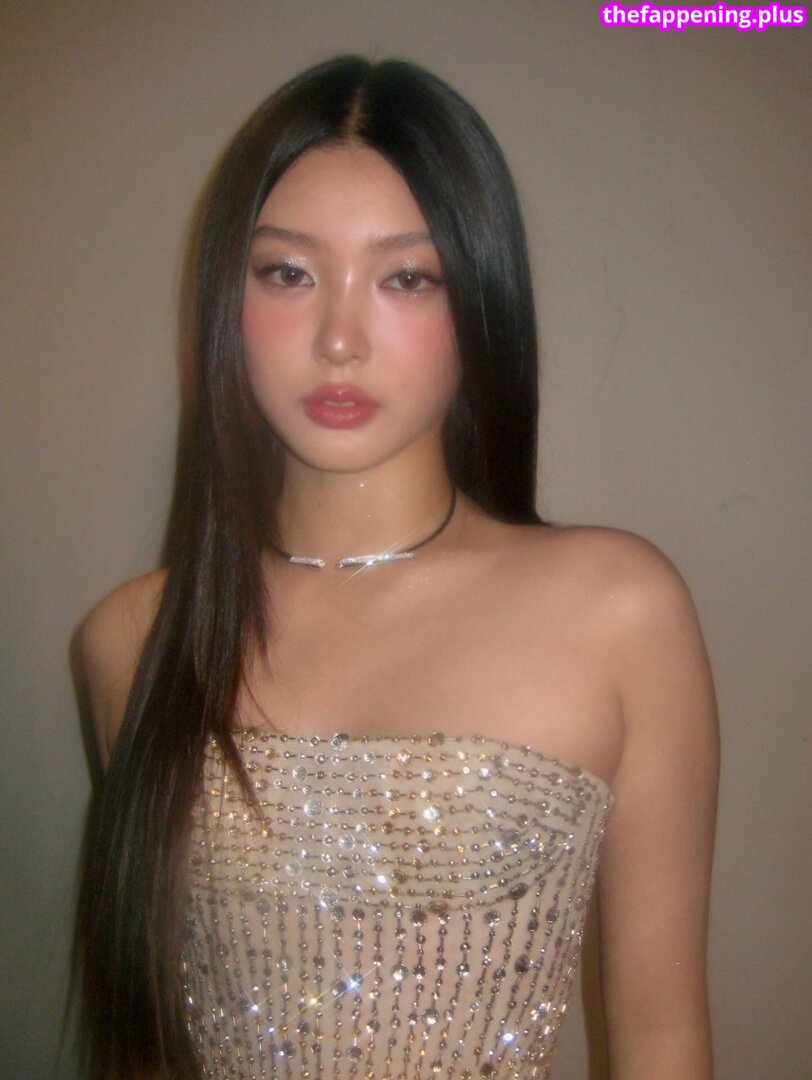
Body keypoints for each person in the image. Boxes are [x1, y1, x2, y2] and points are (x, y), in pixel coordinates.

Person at [76, 55, 719, 1080]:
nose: (339, 339)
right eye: (287, 273)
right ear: (224, 300)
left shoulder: (616, 612)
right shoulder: (131, 640)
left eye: (406, 278)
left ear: (478, 301)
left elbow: (659, 1034)